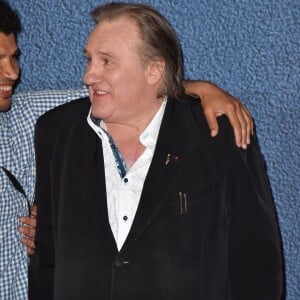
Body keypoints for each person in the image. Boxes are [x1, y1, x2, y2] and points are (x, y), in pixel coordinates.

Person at [29, 2, 283, 299]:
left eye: (107, 61)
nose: (88, 75)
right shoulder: (56, 131)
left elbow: (256, 266)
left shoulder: (218, 135)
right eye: (89, 59)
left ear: (153, 70)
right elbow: (45, 261)